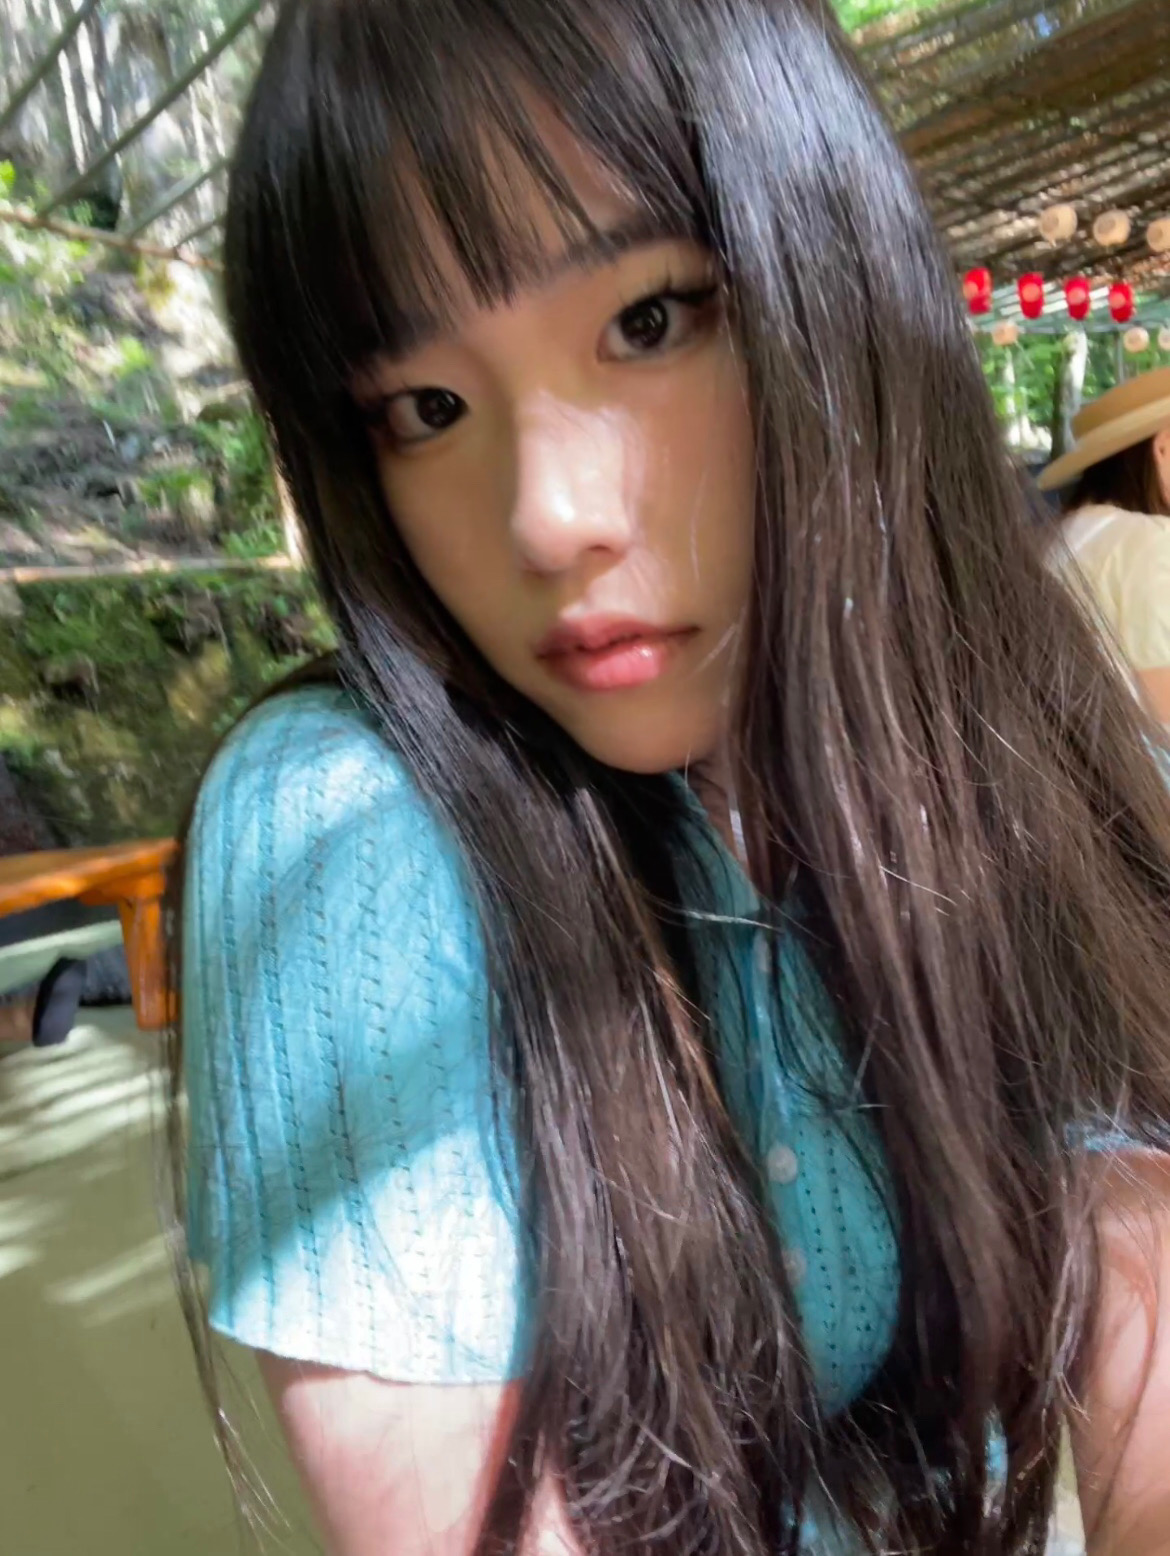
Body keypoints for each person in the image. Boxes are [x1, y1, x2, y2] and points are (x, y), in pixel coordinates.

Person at [169, 2, 1170, 1553]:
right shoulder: (344, 833)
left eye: (647, 320)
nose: (545, 518)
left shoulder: (1005, 711)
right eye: (424, 410)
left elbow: (1142, 1327)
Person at [1039, 367, 1170, 722]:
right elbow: (1164, 707)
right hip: (1130, 751)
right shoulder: (1149, 541)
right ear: (1162, 447)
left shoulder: (1064, 531)